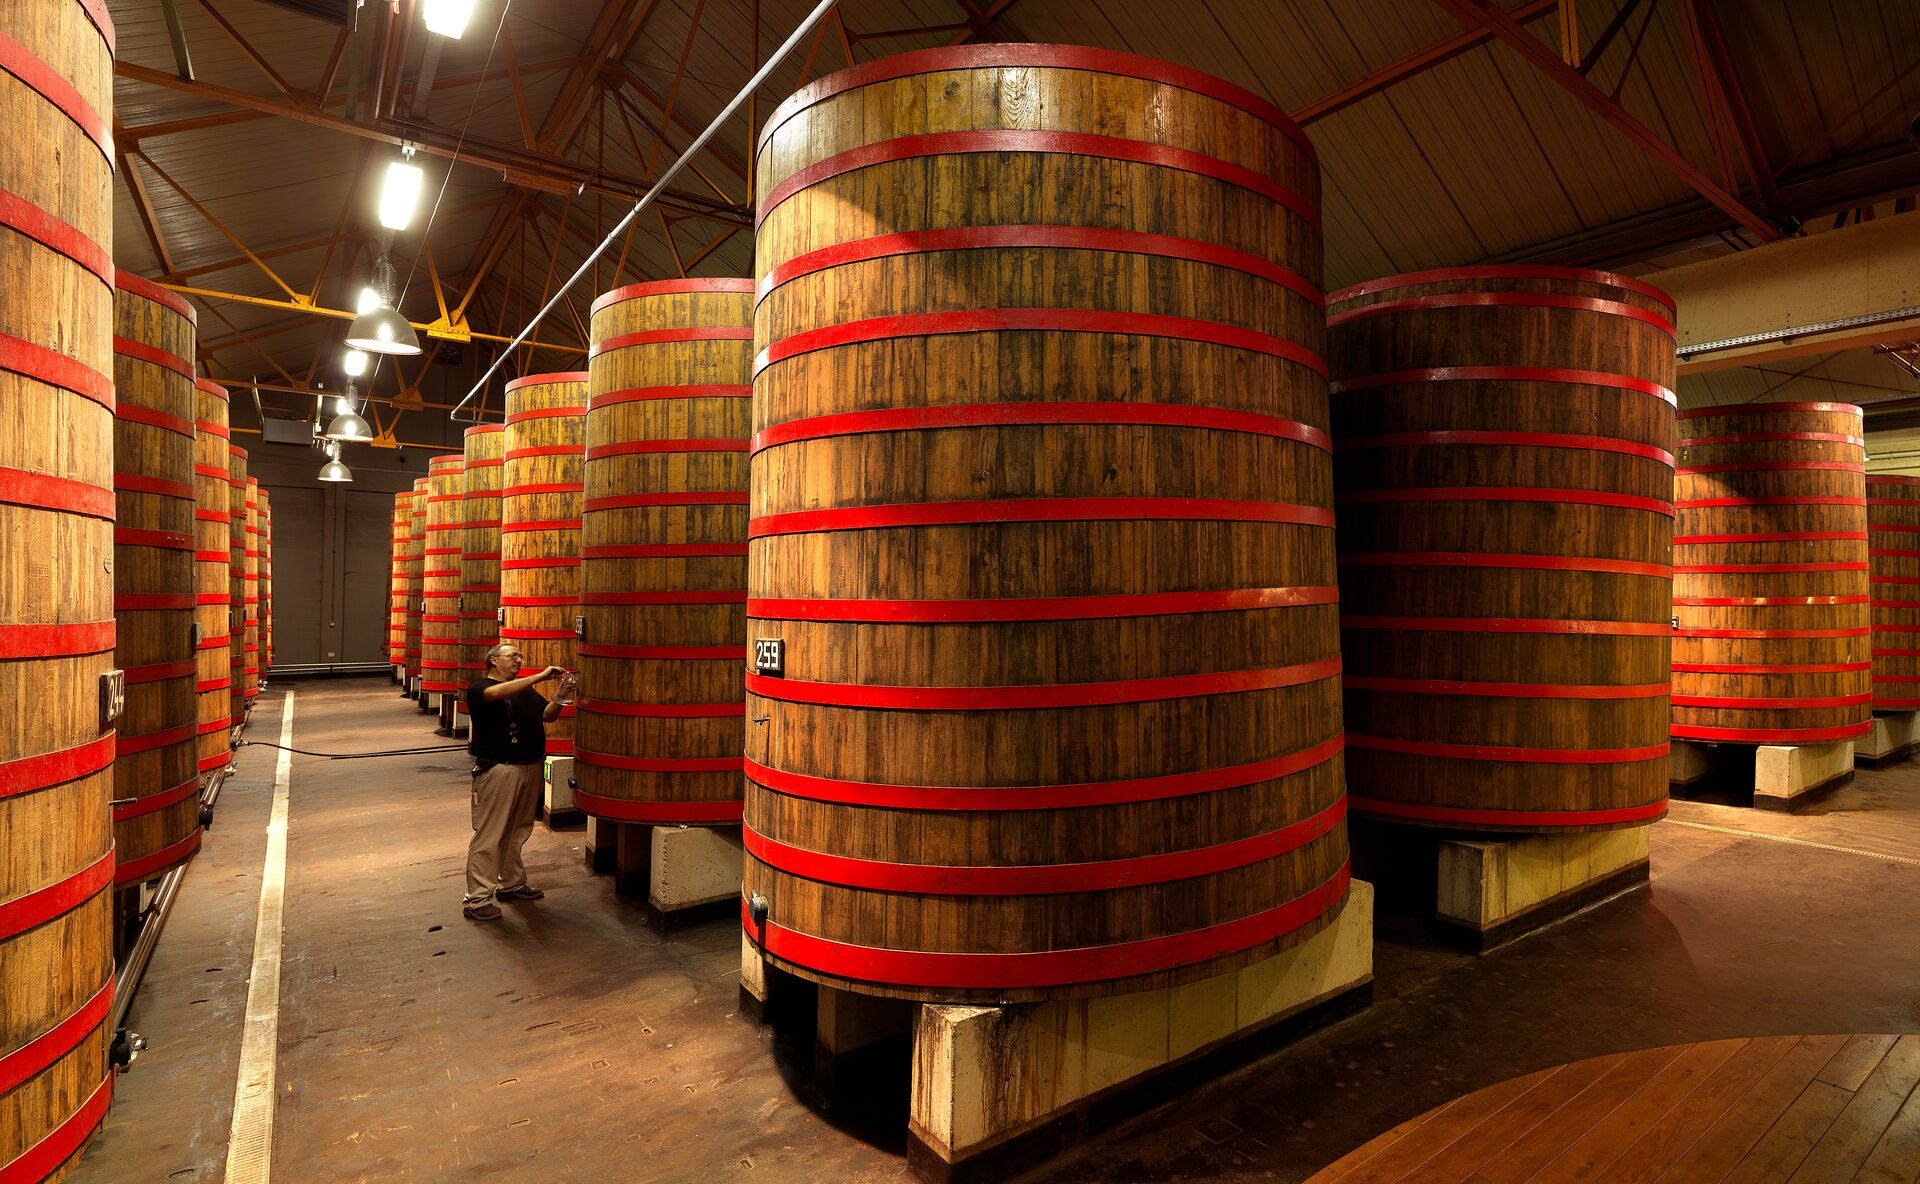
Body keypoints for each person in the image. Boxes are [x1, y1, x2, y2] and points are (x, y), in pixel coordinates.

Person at [462, 643, 574, 921]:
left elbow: (546, 714)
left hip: (529, 767)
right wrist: (541, 676)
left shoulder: (523, 689)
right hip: (500, 770)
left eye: (520, 656)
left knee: (517, 831)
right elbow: (496, 693)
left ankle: (511, 883)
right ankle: (477, 900)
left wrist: (562, 693)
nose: (518, 660)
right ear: (492, 660)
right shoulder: (479, 688)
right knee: (490, 834)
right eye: (512, 656)